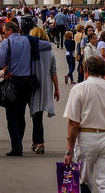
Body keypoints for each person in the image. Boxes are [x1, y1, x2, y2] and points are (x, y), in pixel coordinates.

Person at [62, 56, 105, 193]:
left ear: (85, 70)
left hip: (86, 137)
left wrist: (69, 149)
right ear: (104, 70)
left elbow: (73, 122)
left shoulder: (79, 88)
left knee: (83, 180)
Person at [0, 20, 36, 157]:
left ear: (10, 31)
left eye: (4, 31)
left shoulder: (6, 43)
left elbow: (0, 62)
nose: (3, 34)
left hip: (12, 82)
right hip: (27, 82)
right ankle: (19, 142)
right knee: (21, 114)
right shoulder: (28, 41)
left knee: (11, 116)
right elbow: (46, 46)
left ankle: (17, 146)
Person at [28, 26, 59, 154]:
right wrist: (57, 89)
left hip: (32, 84)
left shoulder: (29, 50)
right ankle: (35, 140)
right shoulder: (50, 52)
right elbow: (54, 72)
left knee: (36, 115)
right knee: (38, 114)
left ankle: (40, 142)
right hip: (46, 86)